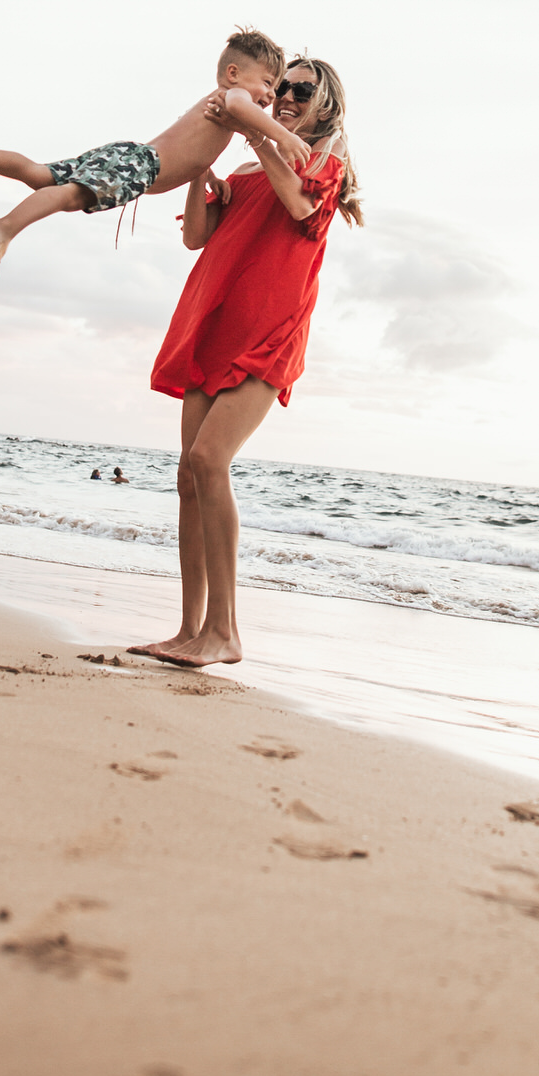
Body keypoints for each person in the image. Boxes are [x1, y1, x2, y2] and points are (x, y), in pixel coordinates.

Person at [133, 59, 362, 668]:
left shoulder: (321, 165)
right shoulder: (244, 165)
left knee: (211, 461)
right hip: (212, 326)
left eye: (300, 89)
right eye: (279, 86)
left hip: (268, 334)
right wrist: (202, 164)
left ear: (324, 104)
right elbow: (196, 237)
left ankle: (225, 631)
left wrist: (258, 133)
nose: (284, 95)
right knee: (188, 477)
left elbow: (297, 206)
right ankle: (189, 630)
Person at [0, 29, 306, 277]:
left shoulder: (218, 109)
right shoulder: (232, 97)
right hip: (141, 164)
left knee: (38, 174)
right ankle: (6, 226)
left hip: (131, 156)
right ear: (234, 73)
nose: (271, 95)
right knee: (71, 195)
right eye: (269, 84)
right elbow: (242, 107)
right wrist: (281, 139)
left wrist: (210, 177)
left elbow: (193, 152)